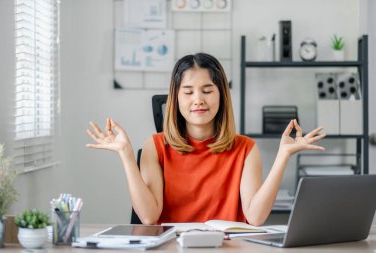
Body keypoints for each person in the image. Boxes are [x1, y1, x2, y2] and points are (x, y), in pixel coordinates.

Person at [86, 53, 325, 226]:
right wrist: (127, 155)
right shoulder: (155, 146)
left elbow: (256, 217)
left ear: (221, 96)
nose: (198, 100)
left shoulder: (245, 148)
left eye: (208, 91)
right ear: (175, 99)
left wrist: (283, 156)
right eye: (188, 92)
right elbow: (149, 217)